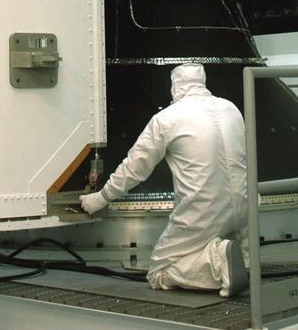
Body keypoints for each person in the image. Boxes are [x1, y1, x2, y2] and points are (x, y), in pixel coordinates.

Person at [80, 63, 249, 296]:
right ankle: (243, 257)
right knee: (223, 241)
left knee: (159, 272)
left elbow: (135, 167)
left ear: (175, 86)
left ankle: (217, 263)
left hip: (202, 213)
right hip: (244, 211)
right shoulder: (231, 108)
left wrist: (102, 197)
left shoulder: (167, 119)